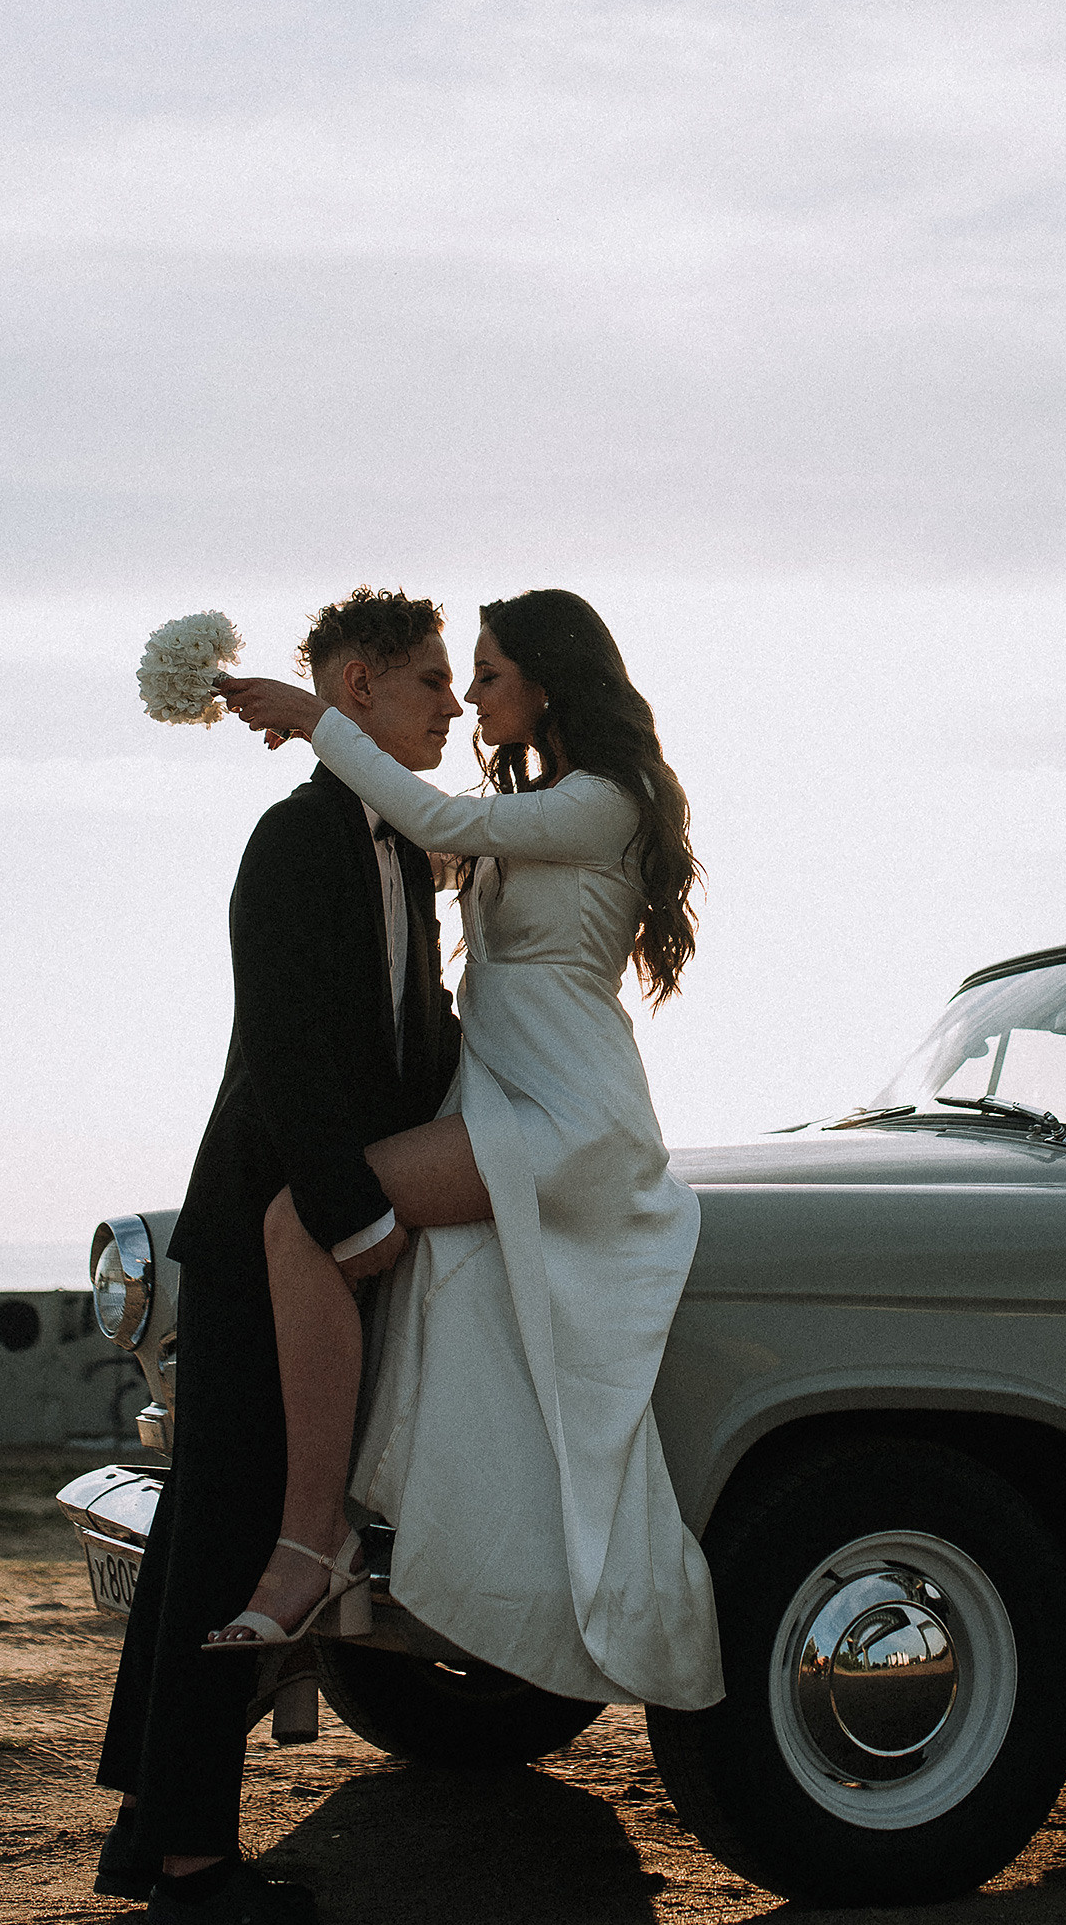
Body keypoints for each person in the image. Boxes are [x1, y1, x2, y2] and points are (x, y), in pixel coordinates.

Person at [215, 588, 723, 1718]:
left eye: (485, 674)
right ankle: (334, 1548)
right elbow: (406, 849)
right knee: (335, 1229)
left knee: (309, 1220)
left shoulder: (602, 801)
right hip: (503, 1102)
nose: (469, 695)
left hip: (566, 1115)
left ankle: (310, 1543)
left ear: (543, 683)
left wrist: (316, 718)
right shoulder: (538, 810)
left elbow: (435, 825)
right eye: (458, 675)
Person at [94, 587, 462, 1925]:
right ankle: (195, 1880)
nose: (446, 704)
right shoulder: (295, 840)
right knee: (238, 1551)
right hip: (270, 1225)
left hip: (297, 1216)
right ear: (354, 689)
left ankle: (152, 1840)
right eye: (428, 679)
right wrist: (358, 1222)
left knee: (212, 1534)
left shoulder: (401, 847)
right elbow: (298, 1057)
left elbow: (407, 1043)